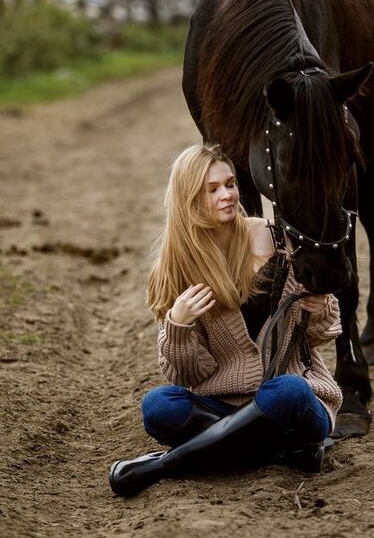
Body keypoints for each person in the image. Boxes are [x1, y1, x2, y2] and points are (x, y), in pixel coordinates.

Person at [109, 144, 343, 497]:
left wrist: (320, 304)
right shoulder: (176, 268)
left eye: (230, 184)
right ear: (190, 199)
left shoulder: (276, 237)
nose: (228, 195)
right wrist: (178, 325)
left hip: (290, 399)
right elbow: (189, 376)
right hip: (221, 403)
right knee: (158, 406)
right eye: (213, 189)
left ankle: (166, 463)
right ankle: (279, 451)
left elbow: (319, 335)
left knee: (289, 392)